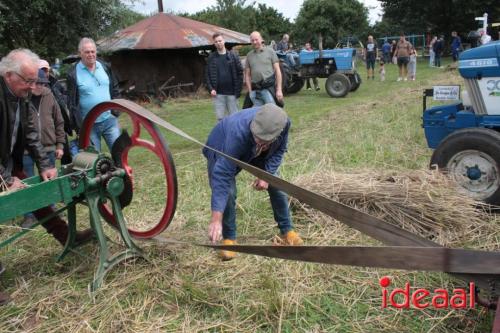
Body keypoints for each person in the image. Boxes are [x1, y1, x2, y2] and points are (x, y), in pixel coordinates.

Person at [0, 49, 92, 305]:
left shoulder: (21, 94)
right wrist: (6, 179)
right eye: (27, 81)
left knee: (36, 195)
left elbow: (30, 131)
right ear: (8, 75)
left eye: (34, 81)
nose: (32, 87)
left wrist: (43, 164)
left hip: (8, 160)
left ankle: (67, 238)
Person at [204, 104, 303, 260]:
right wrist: (216, 219)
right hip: (221, 145)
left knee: (275, 182)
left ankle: (287, 231)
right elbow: (222, 176)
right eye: (256, 137)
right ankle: (229, 239)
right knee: (228, 192)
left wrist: (266, 175)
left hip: (255, 149)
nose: (258, 141)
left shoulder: (283, 124)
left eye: (262, 140)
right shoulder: (238, 133)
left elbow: (279, 151)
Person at [21, 69, 65, 228]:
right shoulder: (22, 97)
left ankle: (51, 209)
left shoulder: (49, 95)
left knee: (49, 181)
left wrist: (60, 144)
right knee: (27, 184)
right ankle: (29, 215)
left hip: (48, 147)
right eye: (37, 83)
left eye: (43, 83)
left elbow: (59, 121)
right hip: (26, 150)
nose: (40, 86)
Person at [67, 37, 121, 153]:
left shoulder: (105, 67)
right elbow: (72, 103)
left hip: (109, 120)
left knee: (120, 153)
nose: (90, 54)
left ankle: (123, 171)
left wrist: (116, 111)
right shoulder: (73, 74)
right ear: (80, 53)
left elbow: (115, 88)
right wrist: (78, 127)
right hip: (89, 124)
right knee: (94, 161)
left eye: (93, 51)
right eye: (87, 52)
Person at [205, 33, 243, 121]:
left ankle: (235, 135)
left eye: (220, 40)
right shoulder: (211, 57)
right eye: (216, 42)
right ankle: (222, 135)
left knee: (235, 119)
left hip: (232, 94)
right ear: (214, 44)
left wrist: (238, 90)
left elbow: (240, 73)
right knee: (220, 120)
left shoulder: (233, 56)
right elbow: (207, 74)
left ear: (224, 41)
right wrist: (211, 89)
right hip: (218, 94)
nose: (218, 43)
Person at [245, 31, 283, 107]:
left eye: (256, 39)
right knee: (258, 114)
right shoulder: (249, 55)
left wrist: (279, 90)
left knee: (272, 112)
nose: (255, 42)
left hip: (268, 89)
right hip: (255, 91)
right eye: (252, 40)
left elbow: (278, 71)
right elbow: (247, 75)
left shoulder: (270, 51)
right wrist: (250, 92)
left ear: (261, 39)